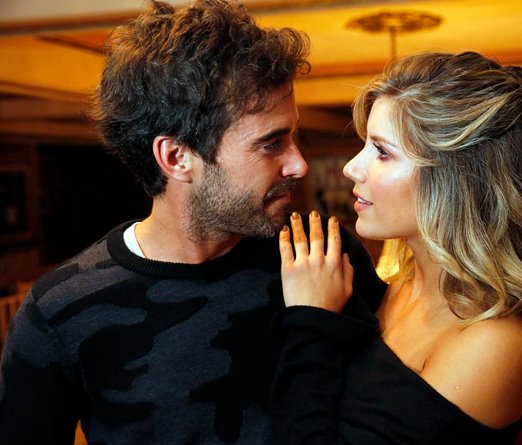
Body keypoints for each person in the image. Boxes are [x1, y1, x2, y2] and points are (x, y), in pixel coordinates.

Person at [0, 1, 385, 444]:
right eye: (271, 143)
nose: (299, 164)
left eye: (292, 136)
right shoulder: (58, 312)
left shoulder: (322, 251)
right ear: (177, 157)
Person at [270, 51, 522, 444]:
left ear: (458, 181)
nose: (351, 168)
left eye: (382, 152)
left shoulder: (492, 343)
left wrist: (311, 321)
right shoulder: (396, 285)